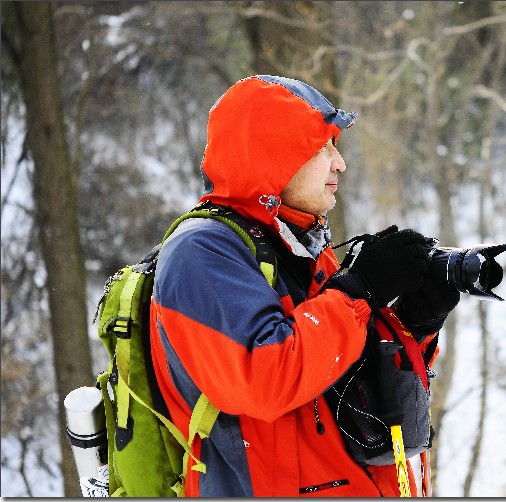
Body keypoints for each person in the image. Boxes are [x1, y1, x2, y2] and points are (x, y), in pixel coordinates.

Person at [149, 75, 459, 497]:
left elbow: (347, 383)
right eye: (321, 147)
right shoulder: (200, 254)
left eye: (336, 146)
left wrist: (412, 323)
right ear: (272, 154)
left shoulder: (299, 245)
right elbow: (267, 377)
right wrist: (359, 290)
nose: (339, 163)